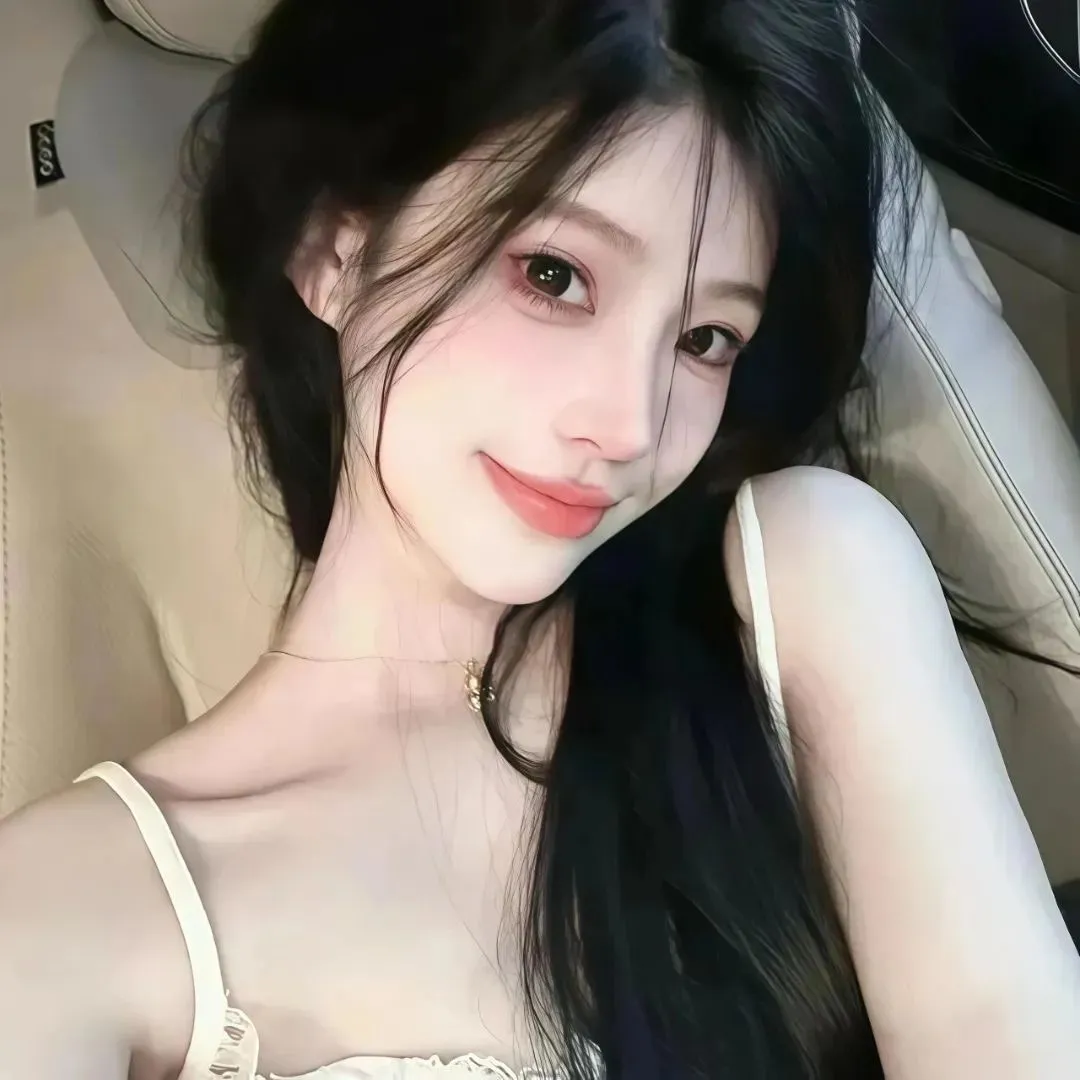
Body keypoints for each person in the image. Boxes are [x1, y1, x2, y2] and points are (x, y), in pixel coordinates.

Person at [1, 0, 1078, 1077]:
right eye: (554, 276)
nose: (631, 424)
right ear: (334, 246)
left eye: (705, 339)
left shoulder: (796, 586)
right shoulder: (67, 917)